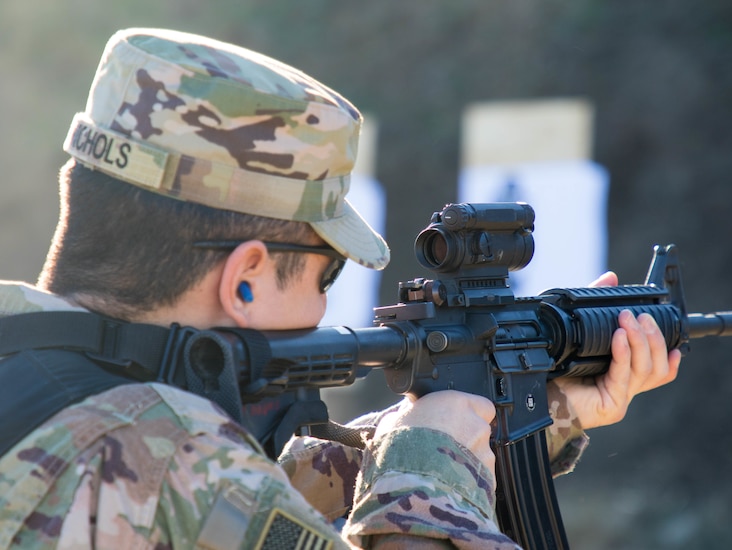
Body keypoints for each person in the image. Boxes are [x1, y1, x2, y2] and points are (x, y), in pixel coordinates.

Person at [0, 28, 680, 549]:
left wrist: (522, 417)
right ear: (245, 278)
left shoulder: (49, 385)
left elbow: (267, 489)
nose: (326, 303)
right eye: (327, 272)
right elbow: (199, 480)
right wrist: (431, 469)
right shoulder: (168, 453)